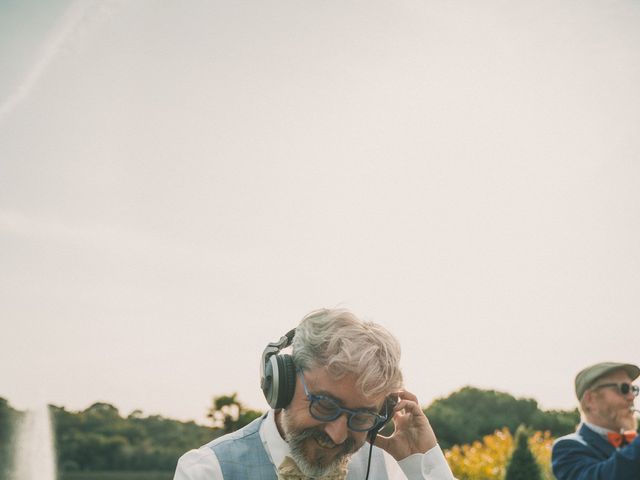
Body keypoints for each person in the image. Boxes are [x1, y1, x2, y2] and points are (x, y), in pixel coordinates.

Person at [173, 308, 455, 479]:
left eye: (361, 417)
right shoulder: (208, 471)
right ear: (284, 383)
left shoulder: (387, 468)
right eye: (324, 405)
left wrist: (421, 463)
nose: (337, 435)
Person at [551, 361, 640, 480]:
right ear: (590, 400)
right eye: (624, 388)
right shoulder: (567, 447)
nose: (632, 397)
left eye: (633, 389)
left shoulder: (633, 443)